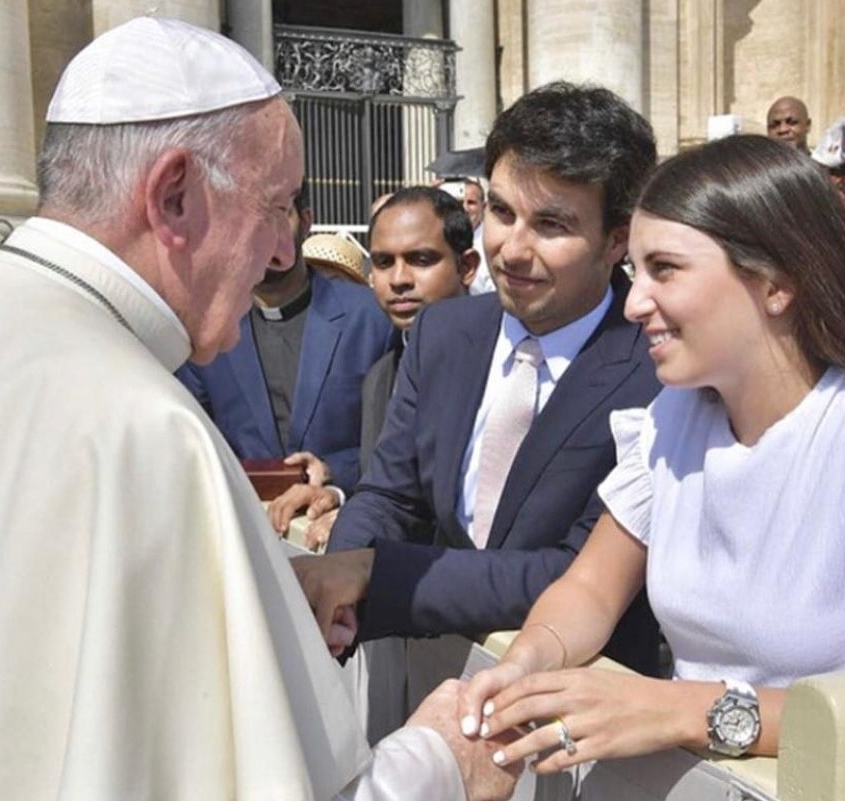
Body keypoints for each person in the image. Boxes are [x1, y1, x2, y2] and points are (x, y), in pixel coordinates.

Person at [0, 17, 519, 801]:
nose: (285, 252)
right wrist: (443, 759)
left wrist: (256, 620)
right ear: (173, 194)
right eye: (275, 205)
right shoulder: (147, 426)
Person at [457, 135, 845, 787]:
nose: (636, 301)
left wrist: (694, 710)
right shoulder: (675, 414)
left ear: (777, 282)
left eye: (664, 269)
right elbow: (590, 588)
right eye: (635, 270)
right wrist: (525, 664)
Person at [293, 82, 663, 679]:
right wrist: (337, 584)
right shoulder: (445, 333)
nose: (512, 250)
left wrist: (373, 576)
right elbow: (391, 494)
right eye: (502, 212)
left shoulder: (658, 369)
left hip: (580, 716)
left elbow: (575, 569)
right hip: (428, 682)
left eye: (551, 225)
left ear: (617, 238)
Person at [267, 185, 479, 547]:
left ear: (467, 267)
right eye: (383, 262)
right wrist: (337, 493)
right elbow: (389, 480)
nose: (399, 280)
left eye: (421, 260)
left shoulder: (509, 361)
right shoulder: (381, 377)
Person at [176, 178, 394, 494]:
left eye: (276, 218)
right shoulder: (207, 330)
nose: (261, 239)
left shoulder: (370, 318)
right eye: (244, 223)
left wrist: (333, 472)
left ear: (306, 221)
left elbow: (394, 440)